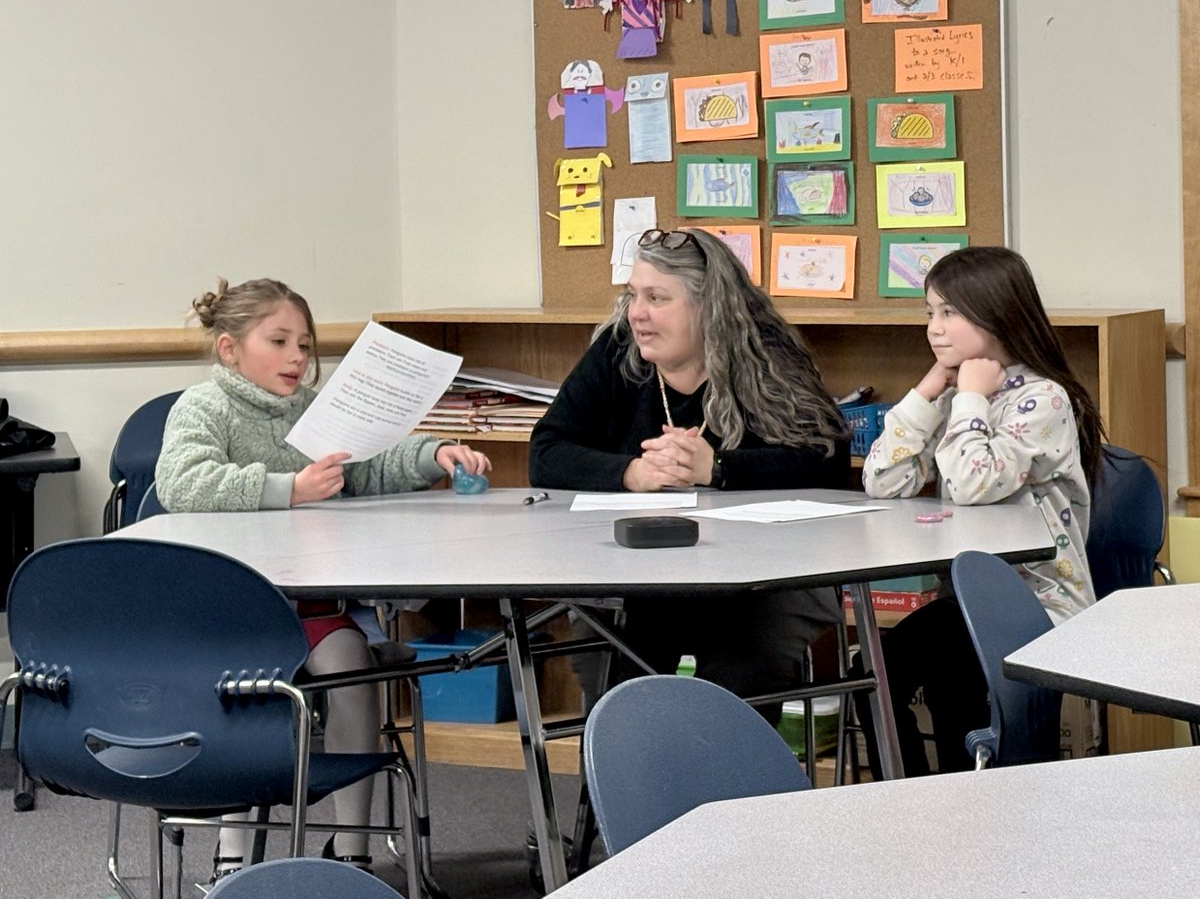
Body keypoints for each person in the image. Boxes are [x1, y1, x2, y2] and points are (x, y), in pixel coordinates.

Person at [155, 277, 490, 879]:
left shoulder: (313, 411)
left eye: (305, 346)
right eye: (279, 341)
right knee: (242, 694)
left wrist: (434, 453)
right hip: (234, 612)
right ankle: (231, 862)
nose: (296, 358)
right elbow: (184, 484)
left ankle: (352, 849)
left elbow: (368, 464)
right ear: (230, 349)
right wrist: (289, 489)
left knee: (353, 666)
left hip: (311, 611)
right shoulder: (202, 409)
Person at [529, 228, 850, 714]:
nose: (637, 313)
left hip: (759, 580)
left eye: (657, 298)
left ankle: (730, 785)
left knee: (735, 675)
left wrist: (718, 467)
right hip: (637, 578)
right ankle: (618, 786)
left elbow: (827, 459)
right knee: (621, 677)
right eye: (633, 295)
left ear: (708, 306)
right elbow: (546, 451)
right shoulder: (618, 353)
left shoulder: (764, 355)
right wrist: (631, 473)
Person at [857, 245, 1104, 777]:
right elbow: (883, 480)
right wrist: (927, 394)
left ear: (998, 314)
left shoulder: (1043, 400)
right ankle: (908, 795)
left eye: (950, 313)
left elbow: (974, 482)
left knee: (956, 664)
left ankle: (965, 803)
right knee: (874, 670)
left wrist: (969, 398)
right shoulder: (954, 394)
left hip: (1038, 601)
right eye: (930, 312)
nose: (934, 328)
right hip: (967, 601)